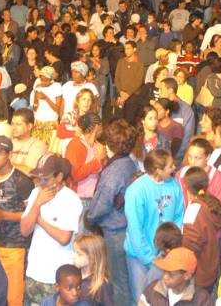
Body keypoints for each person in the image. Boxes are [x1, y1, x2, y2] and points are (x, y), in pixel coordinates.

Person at [20, 153, 83, 305]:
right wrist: (36, 204)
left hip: (56, 277)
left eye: (46, 179)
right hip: (34, 271)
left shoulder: (71, 199)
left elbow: (64, 238)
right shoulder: (36, 193)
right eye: (38, 179)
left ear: (59, 176)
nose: (41, 183)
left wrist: (39, 219)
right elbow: (24, 230)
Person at [85, 120, 136, 306]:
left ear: (108, 145)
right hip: (126, 226)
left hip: (115, 231)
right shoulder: (129, 163)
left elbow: (103, 203)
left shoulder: (114, 170)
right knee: (125, 279)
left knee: (118, 282)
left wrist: (89, 217)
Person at [125, 149, 185, 302]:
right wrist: (148, 259)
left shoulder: (174, 185)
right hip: (139, 257)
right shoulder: (136, 191)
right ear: (158, 170)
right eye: (170, 166)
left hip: (165, 253)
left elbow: (178, 216)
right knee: (141, 299)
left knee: (161, 299)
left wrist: (170, 247)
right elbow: (135, 229)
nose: (174, 168)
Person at [0, 135, 33, 306]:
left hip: (16, 245)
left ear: (9, 154)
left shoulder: (23, 181)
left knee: (14, 297)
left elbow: (31, 215)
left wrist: (4, 215)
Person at [180, 166, 221, 290]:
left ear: (185, 186)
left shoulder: (194, 209)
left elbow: (190, 246)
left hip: (197, 275)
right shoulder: (211, 203)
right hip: (209, 270)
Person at [137, 247, 211, 306]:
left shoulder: (201, 299)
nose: (165, 277)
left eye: (170, 274)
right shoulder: (152, 289)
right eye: (164, 271)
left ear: (186, 275)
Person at [71, 233, 115, 306]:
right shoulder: (72, 276)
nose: (73, 256)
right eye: (74, 251)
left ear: (93, 258)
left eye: (79, 254)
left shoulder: (101, 285)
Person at [9, 108, 48, 175]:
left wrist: (5, 165)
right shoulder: (8, 143)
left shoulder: (38, 145)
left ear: (29, 126)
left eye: (18, 124)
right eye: (12, 124)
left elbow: (30, 172)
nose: (14, 127)